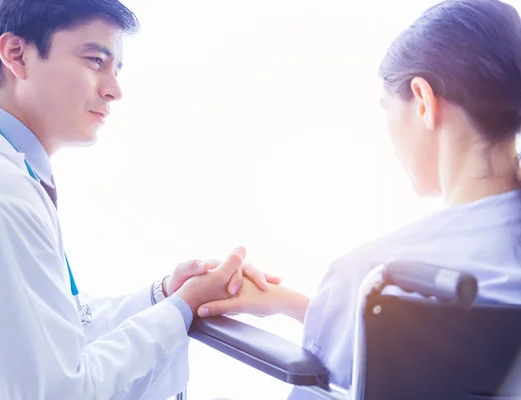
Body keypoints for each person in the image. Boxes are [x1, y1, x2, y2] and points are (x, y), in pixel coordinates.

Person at [0, 1, 280, 399]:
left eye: (117, 69)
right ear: (16, 55)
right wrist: (182, 309)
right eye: (95, 60)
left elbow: (60, 328)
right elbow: (56, 392)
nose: (114, 89)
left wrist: (164, 294)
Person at [197, 0, 521, 396]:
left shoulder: (373, 273)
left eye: (388, 109)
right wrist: (295, 304)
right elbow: (451, 348)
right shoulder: (476, 269)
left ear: (423, 100)